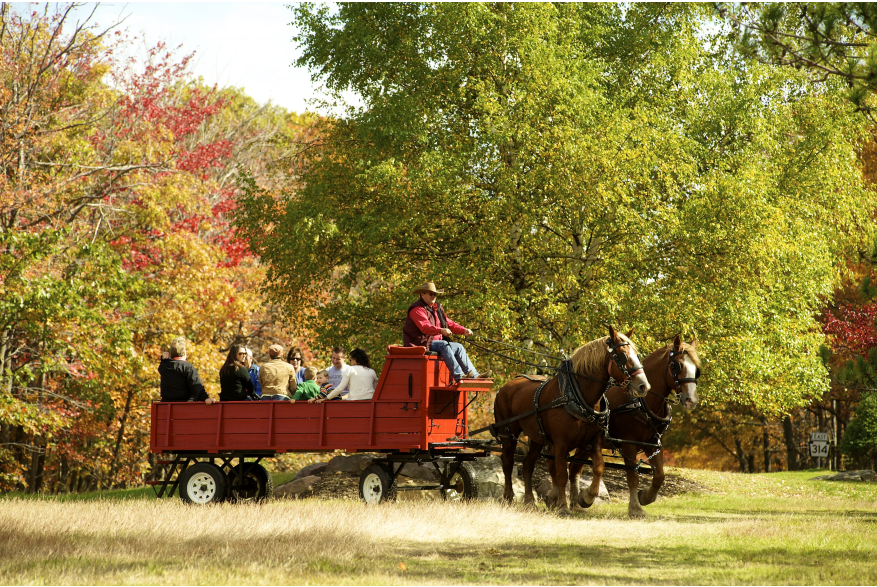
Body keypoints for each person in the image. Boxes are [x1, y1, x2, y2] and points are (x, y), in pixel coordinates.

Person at [402, 281, 490, 383]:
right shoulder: (417, 309)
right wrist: (441, 330)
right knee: (444, 344)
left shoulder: (437, 308)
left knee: (459, 347)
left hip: (435, 343)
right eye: (431, 294)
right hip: (421, 343)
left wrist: (463, 330)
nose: (433, 296)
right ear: (422, 294)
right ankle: (459, 376)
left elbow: (449, 323)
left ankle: (474, 376)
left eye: (435, 294)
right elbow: (425, 327)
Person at [158, 337, 214, 404]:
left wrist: (164, 359)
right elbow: (196, 385)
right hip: (184, 404)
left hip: (165, 404)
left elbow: (162, 365)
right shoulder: (188, 367)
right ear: (184, 353)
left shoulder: (164, 366)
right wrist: (205, 398)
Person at [312, 348, 378, 402]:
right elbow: (375, 388)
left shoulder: (350, 369)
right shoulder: (371, 371)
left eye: (350, 360)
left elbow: (340, 388)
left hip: (354, 401)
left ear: (355, 360)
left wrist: (326, 398)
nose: (350, 362)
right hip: (370, 401)